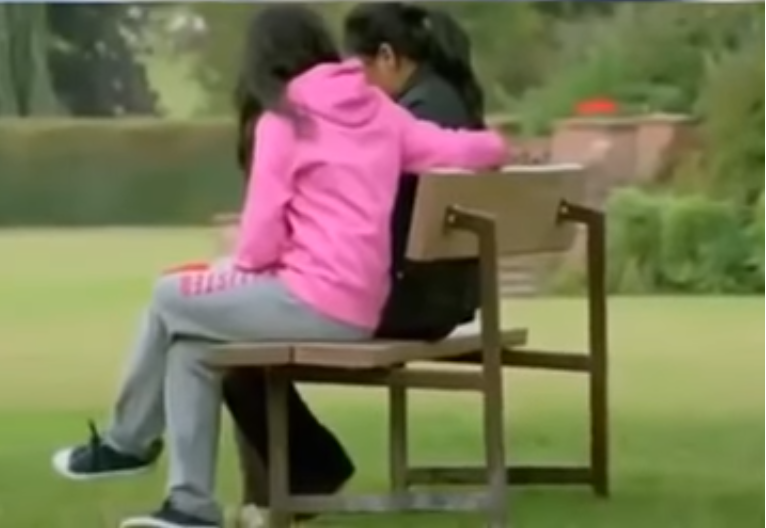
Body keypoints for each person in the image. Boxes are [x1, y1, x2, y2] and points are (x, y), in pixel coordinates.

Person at [51, 4, 506, 528]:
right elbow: (461, 148)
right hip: (362, 304)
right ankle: (189, 508)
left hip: (313, 301)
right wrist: (501, 147)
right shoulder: (380, 112)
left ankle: (127, 442)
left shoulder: (283, 120)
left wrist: (234, 269)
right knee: (192, 349)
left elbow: (260, 244)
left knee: (168, 295)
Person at [222, 1, 494, 513]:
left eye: (360, 69)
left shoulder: (408, 114)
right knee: (245, 325)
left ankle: (293, 482)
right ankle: (297, 478)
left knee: (233, 339)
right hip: (443, 297)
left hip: (398, 301)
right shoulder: (446, 100)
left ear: (387, 57)